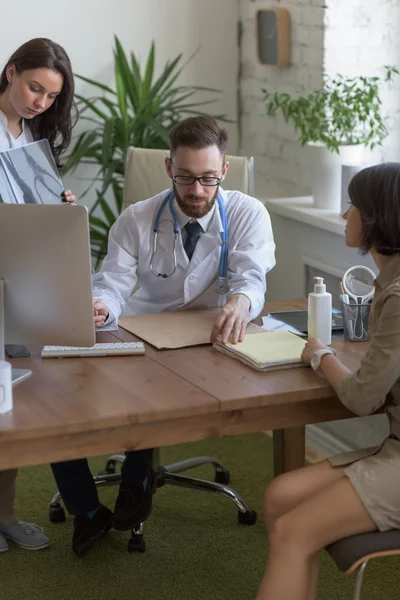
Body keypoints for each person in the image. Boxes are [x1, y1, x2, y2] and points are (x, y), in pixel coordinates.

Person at [51, 115, 276, 557]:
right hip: (146, 331)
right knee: (59, 401)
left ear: (224, 171)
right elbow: (112, 282)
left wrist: (241, 303)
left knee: (153, 396)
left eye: (208, 179)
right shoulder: (138, 217)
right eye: (187, 177)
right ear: (169, 167)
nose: (196, 191)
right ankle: (86, 507)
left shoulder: (249, 213)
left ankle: (137, 479)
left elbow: (253, 276)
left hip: (212, 339)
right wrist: (104, 307)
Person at [256, 162, 400, 600]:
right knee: (282, 495)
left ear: (377, 217)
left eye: (353, 205)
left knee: (294, 531)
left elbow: (360, 398)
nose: (344, 215)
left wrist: (320, 355)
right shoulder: (389, 283)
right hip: (395, 447)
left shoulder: (399, 296)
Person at [0, 38, 77, 552]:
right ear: (10, 71)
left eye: (51, 97)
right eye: (34, 88)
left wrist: (60, 205)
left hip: (16, 278)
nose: (40, 103)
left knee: (10, 408)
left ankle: (3, 514)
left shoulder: (31, 138)